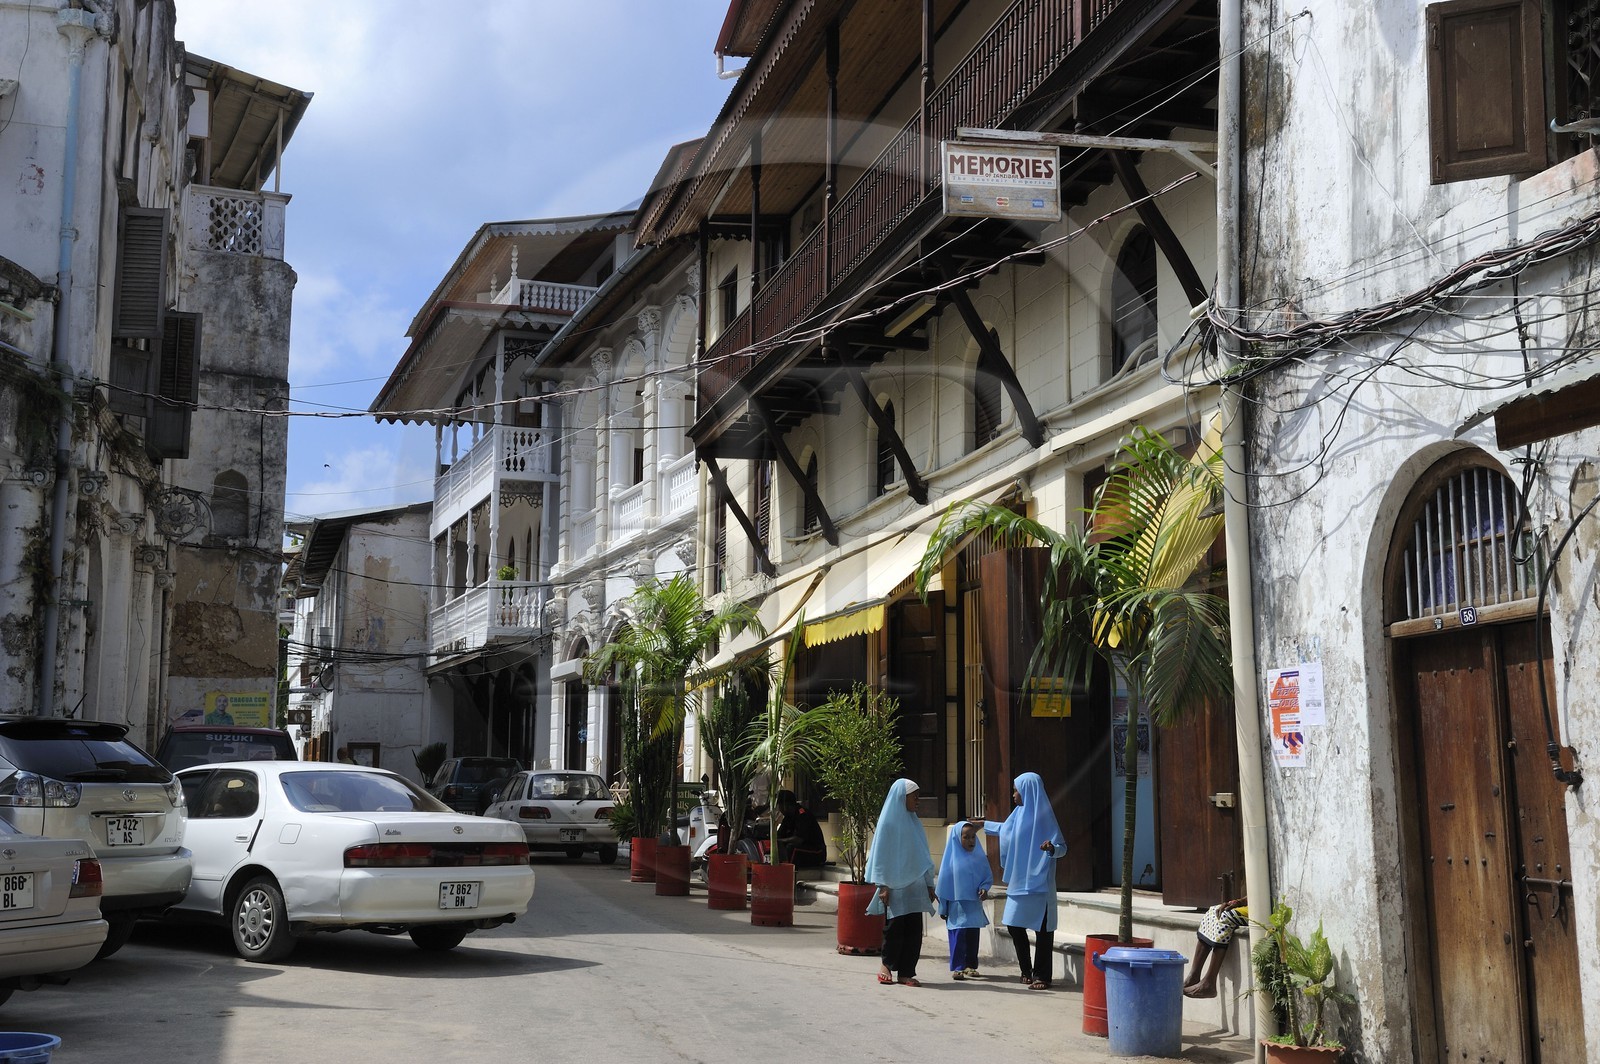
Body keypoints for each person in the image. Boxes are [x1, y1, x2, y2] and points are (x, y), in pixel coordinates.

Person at [980, 771, 1067, 989]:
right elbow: (1004, 829)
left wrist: (1051, 848)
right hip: (1019, 881)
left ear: (1028, 791)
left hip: (1040, 883)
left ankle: (1042, 976)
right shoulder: (1017, 815)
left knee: (1044, 930)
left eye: (1016, 790)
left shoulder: (1045, 817)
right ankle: (1026, 969)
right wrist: (984, 824)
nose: (1013, 795)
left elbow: (1062, 848)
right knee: (1013, 925)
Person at [864, 778, 936, 987]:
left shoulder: (915, 823)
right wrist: (883, 885)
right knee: (894, 928)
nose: (918, 801)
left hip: (915, 885)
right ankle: (886, 966)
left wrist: (929, 884)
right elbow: (880, 856)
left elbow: (923, 855)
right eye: (914, 796)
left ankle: (906, 972)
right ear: (901, 797)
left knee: (914, 930)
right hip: (894, 886)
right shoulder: (887, 823)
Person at [937, 820, 992, 980]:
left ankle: (970, 965)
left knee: (972, 936)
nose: (971, 841)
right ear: (956, 838)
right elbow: (944, 884)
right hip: (957, 905)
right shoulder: (951, 860)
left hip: (973, 905)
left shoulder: (979, 857)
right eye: (966, 837)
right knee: (958, 934)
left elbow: (986, 876)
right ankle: (958, 967)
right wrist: (943, 908)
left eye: (973, 837)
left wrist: (984, 888)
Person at [1183, 897, 1248, 998]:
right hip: (1254, 905)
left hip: (1266, 910)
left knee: (1225, 916)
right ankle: (1193, 976)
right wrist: (1238, 902)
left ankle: (1209, 982)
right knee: (1214, 910)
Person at [774, 790, 826, 869]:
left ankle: (789, 871)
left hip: (816, 852)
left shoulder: (803, 815)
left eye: (779, 805)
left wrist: (781, 841)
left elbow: (799, 839)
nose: (779, 809)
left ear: (786, 805)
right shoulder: (788, 818)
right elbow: (780, 835)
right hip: (804, 849)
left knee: (791, 848)